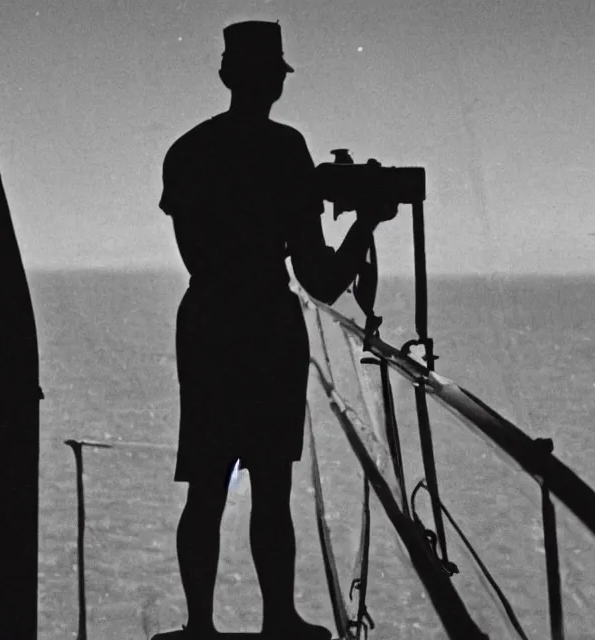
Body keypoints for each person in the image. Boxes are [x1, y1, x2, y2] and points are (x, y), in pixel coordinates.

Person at [159, 20, 394, 639]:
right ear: (273, 82)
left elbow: (196, 255)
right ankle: (278, 620)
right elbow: (318, 279)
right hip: (266, 323)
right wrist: (365, 223)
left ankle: (199, 626)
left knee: (206, 484)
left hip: (208, 321)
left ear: (225, 76)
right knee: (270, 484)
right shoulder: (287, 149)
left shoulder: (186, 151)